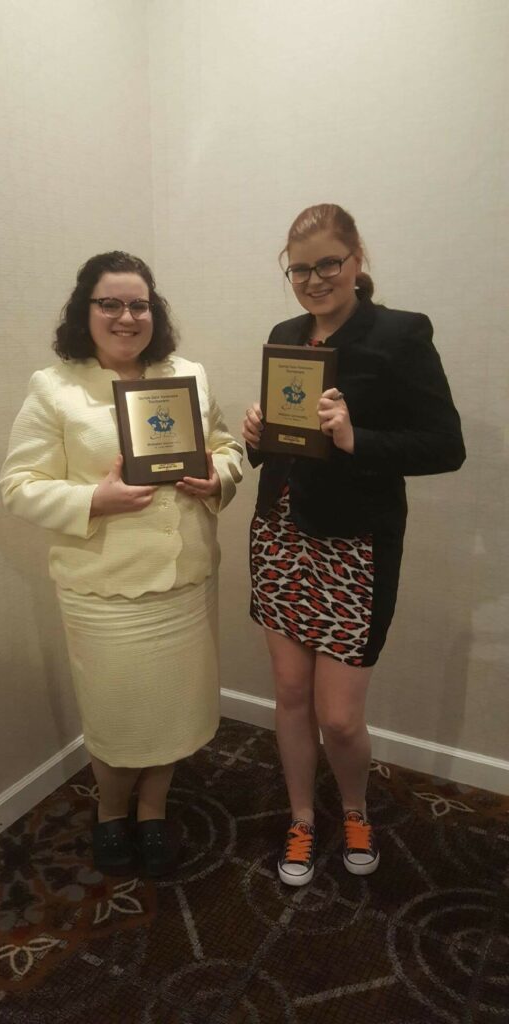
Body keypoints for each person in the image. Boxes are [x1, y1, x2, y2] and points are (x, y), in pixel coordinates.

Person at [0, 251, 243, 877]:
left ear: (152, 312)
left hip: (182, 580)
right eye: (110, 303)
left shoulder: (187, 374)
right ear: (87, 311)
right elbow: (18, 485)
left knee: (173, 708)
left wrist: (217, 473)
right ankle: (111, 811)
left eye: (138, 303)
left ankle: (153, 809)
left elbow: (228, 447)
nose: (126, 316)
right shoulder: (53, 388)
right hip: (104, 588)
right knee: (116, 712)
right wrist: (91, 500)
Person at [243, 204, 465, 886]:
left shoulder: (398, 334)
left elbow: (445, 446)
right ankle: (304, 818)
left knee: (339, 719)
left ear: (357, 258)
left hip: (354, 548)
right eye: (300, 268)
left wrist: (355, 438)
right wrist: (257, 437)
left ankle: (357, 807)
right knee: (289, 694)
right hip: (280, 535)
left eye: (328, 263)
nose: (314, 280)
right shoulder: (285, 333)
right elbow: (283, 441)